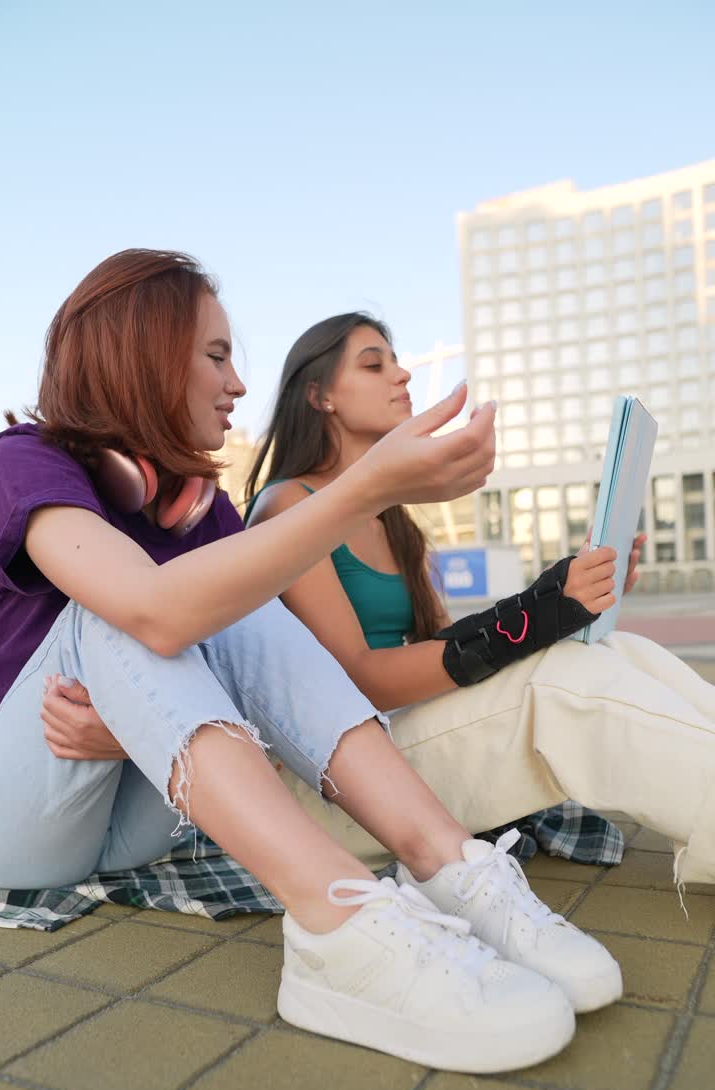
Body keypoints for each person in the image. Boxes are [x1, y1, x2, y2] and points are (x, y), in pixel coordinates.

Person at [0, 249, 631, 1080]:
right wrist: (364, 487)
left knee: (250, 593)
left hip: (136, 814)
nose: (235, 385)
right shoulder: (24, 462)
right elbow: (151, 611)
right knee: (127, 612)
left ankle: (453, 870)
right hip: (23, 816)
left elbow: (243, 658)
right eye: (216, 356)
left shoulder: (203, 508)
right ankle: (338, 929)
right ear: (141, 353)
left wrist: (133, 725)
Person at [243, 312, 715, 896]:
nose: (403, 373)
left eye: (397, 359)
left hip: (399, 748)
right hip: (334, 781)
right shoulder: (288, 506)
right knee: (559, 685)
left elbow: (444, 657)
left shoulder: (395, 524)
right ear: (318, 396)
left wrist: (574, 603)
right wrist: (538, 615)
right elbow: (359, 678)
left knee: (620, 651)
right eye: (374, 364)